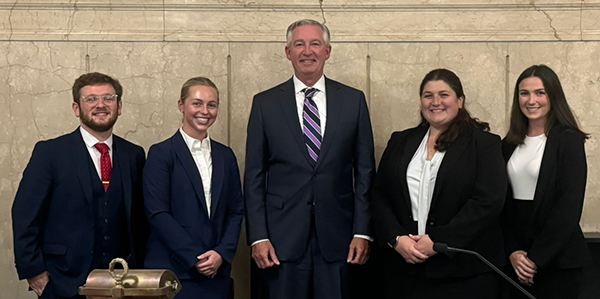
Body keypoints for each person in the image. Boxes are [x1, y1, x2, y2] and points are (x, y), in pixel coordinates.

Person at [244, 19, 376, 299]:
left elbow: (365, 173)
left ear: (327, 51)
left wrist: (362, 232)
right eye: (299, 44)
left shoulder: (353, 101)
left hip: (340, 238)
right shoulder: (264, 104)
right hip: (280, 240)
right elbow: (254, 177)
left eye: (315, 43)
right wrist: (258, 236)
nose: (307, 51)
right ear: (287, 51)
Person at [371, 69, 507, 299]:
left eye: (444, 94)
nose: (435, 102)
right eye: (428, 95)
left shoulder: (483, 144)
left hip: (464, 273)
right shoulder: (400, 141)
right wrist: (395, 239)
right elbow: (379, 195)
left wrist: (438, 241)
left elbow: (488, 201)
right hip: (404, 271)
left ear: (460, 101)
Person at [12, 72, 148, 299]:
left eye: (108, 98)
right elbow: (25, 215)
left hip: (122, 281)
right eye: (91, 99)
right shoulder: (50, 153)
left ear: (119, 106)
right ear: (77, 108)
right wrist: (35, 272)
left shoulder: (134, 154)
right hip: (63, 281)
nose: (101, 105)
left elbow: (141, 220)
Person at [143, 77, 244, 299]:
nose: (205, 111)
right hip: (173, 273)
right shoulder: (161, 154)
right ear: (181, 105)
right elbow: (158, 214)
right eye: (197, 103)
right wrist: (195, 258)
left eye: (212, 104)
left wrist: (221, 253)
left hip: (216, 273)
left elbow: (236, 210)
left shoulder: (225, 156)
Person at [502, 65, 591, 299]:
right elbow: (501, 204)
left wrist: (535, 259)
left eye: (540, 92)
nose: (531, 100)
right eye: (524, 93)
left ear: (554, 96)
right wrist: (512, 251)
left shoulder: (568, 140)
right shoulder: (508, 143)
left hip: (558, 260)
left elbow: (568, 207)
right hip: (516, 259)